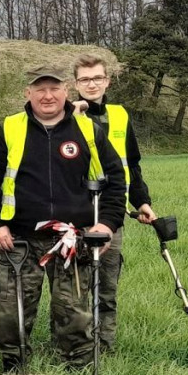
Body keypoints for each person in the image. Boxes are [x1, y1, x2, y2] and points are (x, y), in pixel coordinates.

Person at [0, 65, 126, 372]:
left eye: (54, 88)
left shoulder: (87, 130)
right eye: (39, 89)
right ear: (27, 93)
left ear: (66, 91)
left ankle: (76, 367)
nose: (47, 96)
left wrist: (106, 225)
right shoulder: (8, 129)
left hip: (72, 238)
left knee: (72, 309)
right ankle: (14, 365)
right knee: (10, 310)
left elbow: (115, 180)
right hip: (18, 238)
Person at [72, 54, 155, 352]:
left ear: (107, 81)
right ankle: (76, 345)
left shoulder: (120, 115)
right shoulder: (65, 116)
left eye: (97, 78)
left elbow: (131, 163)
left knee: (107, 283)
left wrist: (142, 200)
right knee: (75, 285)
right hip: (77, 209)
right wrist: (74, 115)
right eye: (84, 79)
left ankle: (104, 347)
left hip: (112, 209)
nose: (91, 84)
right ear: (76, 83)